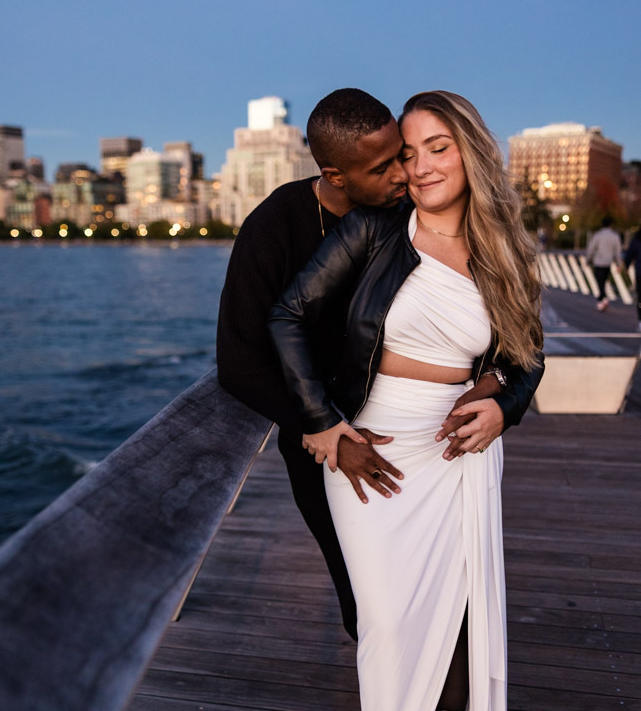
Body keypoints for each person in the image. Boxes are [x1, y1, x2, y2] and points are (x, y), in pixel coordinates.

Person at [269, 91, 544, 711]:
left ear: (470, 155)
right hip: (373, 448)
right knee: (387, 624)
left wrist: (503, 406)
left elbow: (527, 359)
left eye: (436, 149)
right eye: (408, 153)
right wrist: (321, 421)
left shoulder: (505, 254)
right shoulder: (374, 231)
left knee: (456, 621)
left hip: (458, 453)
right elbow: (286, 316)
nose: (418, 167)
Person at [217, 89, 542, 646]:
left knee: (448, 597)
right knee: (366, 600)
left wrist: (501, 397)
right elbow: (239, 360)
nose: (405, 173)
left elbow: (511, 339)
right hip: (319, 437)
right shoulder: (275, 226)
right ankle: (393, 709)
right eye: (386, 165)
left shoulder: (410, 217)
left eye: (405, 153)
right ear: (335, 175)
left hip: (421, 437)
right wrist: (322, 427)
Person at [585, 215, 622, 311]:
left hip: (598, 262)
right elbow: (617, 251)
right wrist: (619, 264)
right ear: (610, 224)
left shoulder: (598, 235)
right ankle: (603, 299)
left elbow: (591, 249)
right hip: (607, 263)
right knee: (604, 280)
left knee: (599, 281)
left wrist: (588, 260)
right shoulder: (615, 236)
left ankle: (602, 299)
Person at [623, 224, 641, 331]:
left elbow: (629, 254)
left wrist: (626, 265)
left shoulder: (637, 239)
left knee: (640, 297)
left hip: (640, 273)